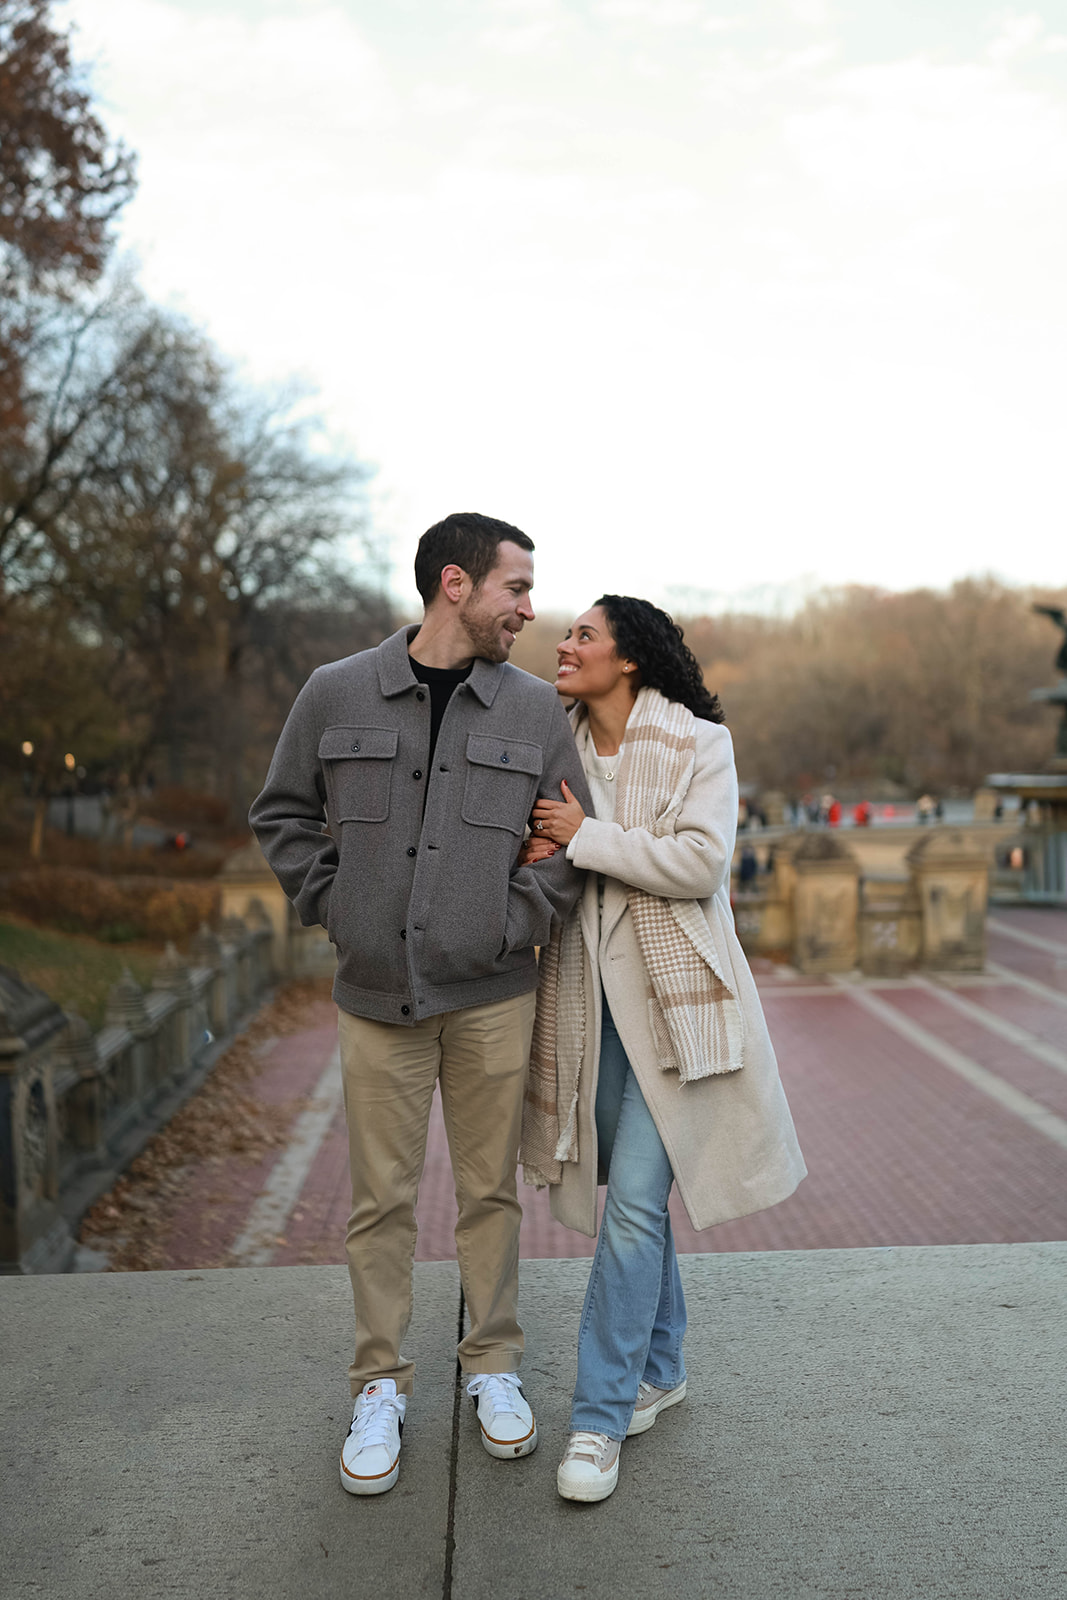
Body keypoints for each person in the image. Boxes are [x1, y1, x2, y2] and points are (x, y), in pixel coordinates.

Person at [250, 512, 591, 1496]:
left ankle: (490, 1368)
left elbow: (571, 840)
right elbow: (279, 813)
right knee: (380, 1204)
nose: (530, 610)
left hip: (490, 997)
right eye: (515, 589)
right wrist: (333, 902)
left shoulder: (532, 713)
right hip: (373, 1000)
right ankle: (378, 1385)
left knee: (487, 1196)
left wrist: (509, 917)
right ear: (455, 583)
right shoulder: (335, 691)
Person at [519, 595, 806, 1504]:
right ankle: (664, 1363)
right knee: (635, 1191)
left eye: (582, 636)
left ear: (629, 658)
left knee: (638, 1204)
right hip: (579, 1001)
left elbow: (698, 861)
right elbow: (532, 847)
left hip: (673, 1006)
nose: (562, 645)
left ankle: (598, 1420)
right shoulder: (548, 739)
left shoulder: (696, 745)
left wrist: (584, 836)